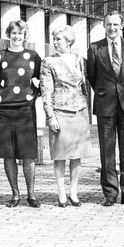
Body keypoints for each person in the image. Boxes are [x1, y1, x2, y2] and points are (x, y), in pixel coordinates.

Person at [87, 11, 124, 206]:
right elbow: (92, 77)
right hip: (105, 105)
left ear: (122, 26)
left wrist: (123, 92)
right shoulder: (95, 48)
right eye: (108, 24)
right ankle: (110, 192)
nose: (112, 28)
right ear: (104, 25)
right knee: (107, 152)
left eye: (115, 25)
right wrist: (105, 92)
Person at [0, 20, 42, 208]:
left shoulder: (33, 56)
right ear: (8, 34)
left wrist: (32, 98)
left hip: (25, 110)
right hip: (4, 110)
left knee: (28, 154)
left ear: (25, 35)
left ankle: (31, 194)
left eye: (20, 33)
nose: (17, 36)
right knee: (8, 154)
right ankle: (15, 194)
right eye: (13, 33)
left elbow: (40, 83)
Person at [41, 25, 94, 207]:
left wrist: (88, 112)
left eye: (59, 39)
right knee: (60, 154)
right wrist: (51, 117)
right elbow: (46, 91)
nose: (56, 42)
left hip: (79, 111)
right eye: (54, 39)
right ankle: (61, 192)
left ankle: (74, 191)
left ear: (69, 41)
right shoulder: (48, 62)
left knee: (77, 154)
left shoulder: (81, 60)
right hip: (60, 112)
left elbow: (85, 87)